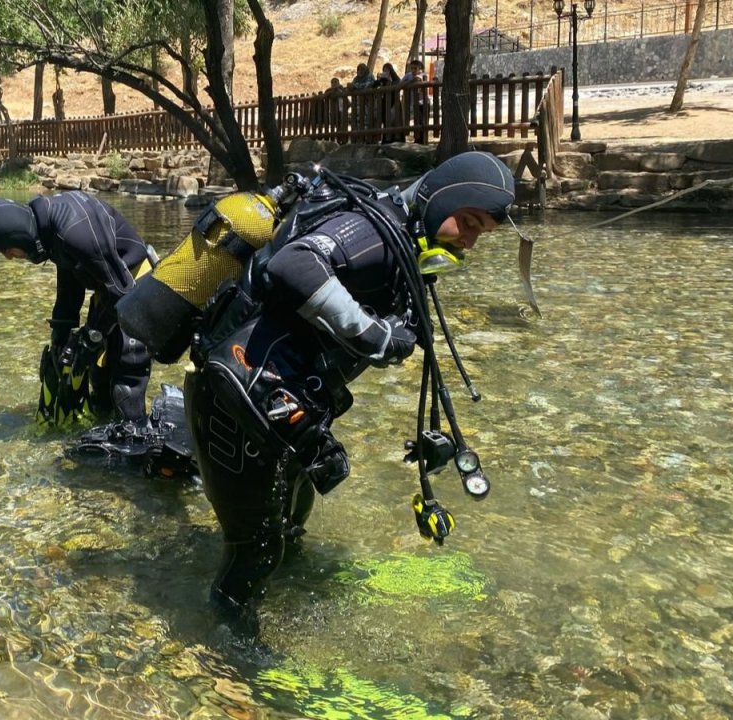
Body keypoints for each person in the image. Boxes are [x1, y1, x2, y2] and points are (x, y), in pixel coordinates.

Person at [185, 151, 516, 634]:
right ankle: (228, 646)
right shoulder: (372, 234)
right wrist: (374, 334)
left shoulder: (404, 245)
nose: (467, 239)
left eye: (478, 232)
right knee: (255, 549)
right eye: (466, 221)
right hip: (234, 404)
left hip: (283, 407)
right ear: (440, 198)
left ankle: (281, 595)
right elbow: (295, 264)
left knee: (293, 517)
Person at [0, 191, 156, 425]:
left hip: (135, 288)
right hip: (109, 294)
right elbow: (70, 289)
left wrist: (91, 335)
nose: (9, 257)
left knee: (125, 380)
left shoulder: (72, 230)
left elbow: (122, 290)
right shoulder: (50, 229)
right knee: (99, 379)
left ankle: (136, 447)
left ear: (17, 234)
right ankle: (102, 435)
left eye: (6, 249)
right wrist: (61, 336)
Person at [402, 59, 431, 143]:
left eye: (415, 68)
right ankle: (417, 139)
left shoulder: (423, 76)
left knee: (424, 122)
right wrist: (410, 81)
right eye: (412, 68)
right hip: (414, 103)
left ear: (420, 68)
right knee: (416, 121)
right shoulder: (408, 76)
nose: (413, 70)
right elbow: (400, 84)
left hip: (424, 102)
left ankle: (423, 140)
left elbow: (423, 85)